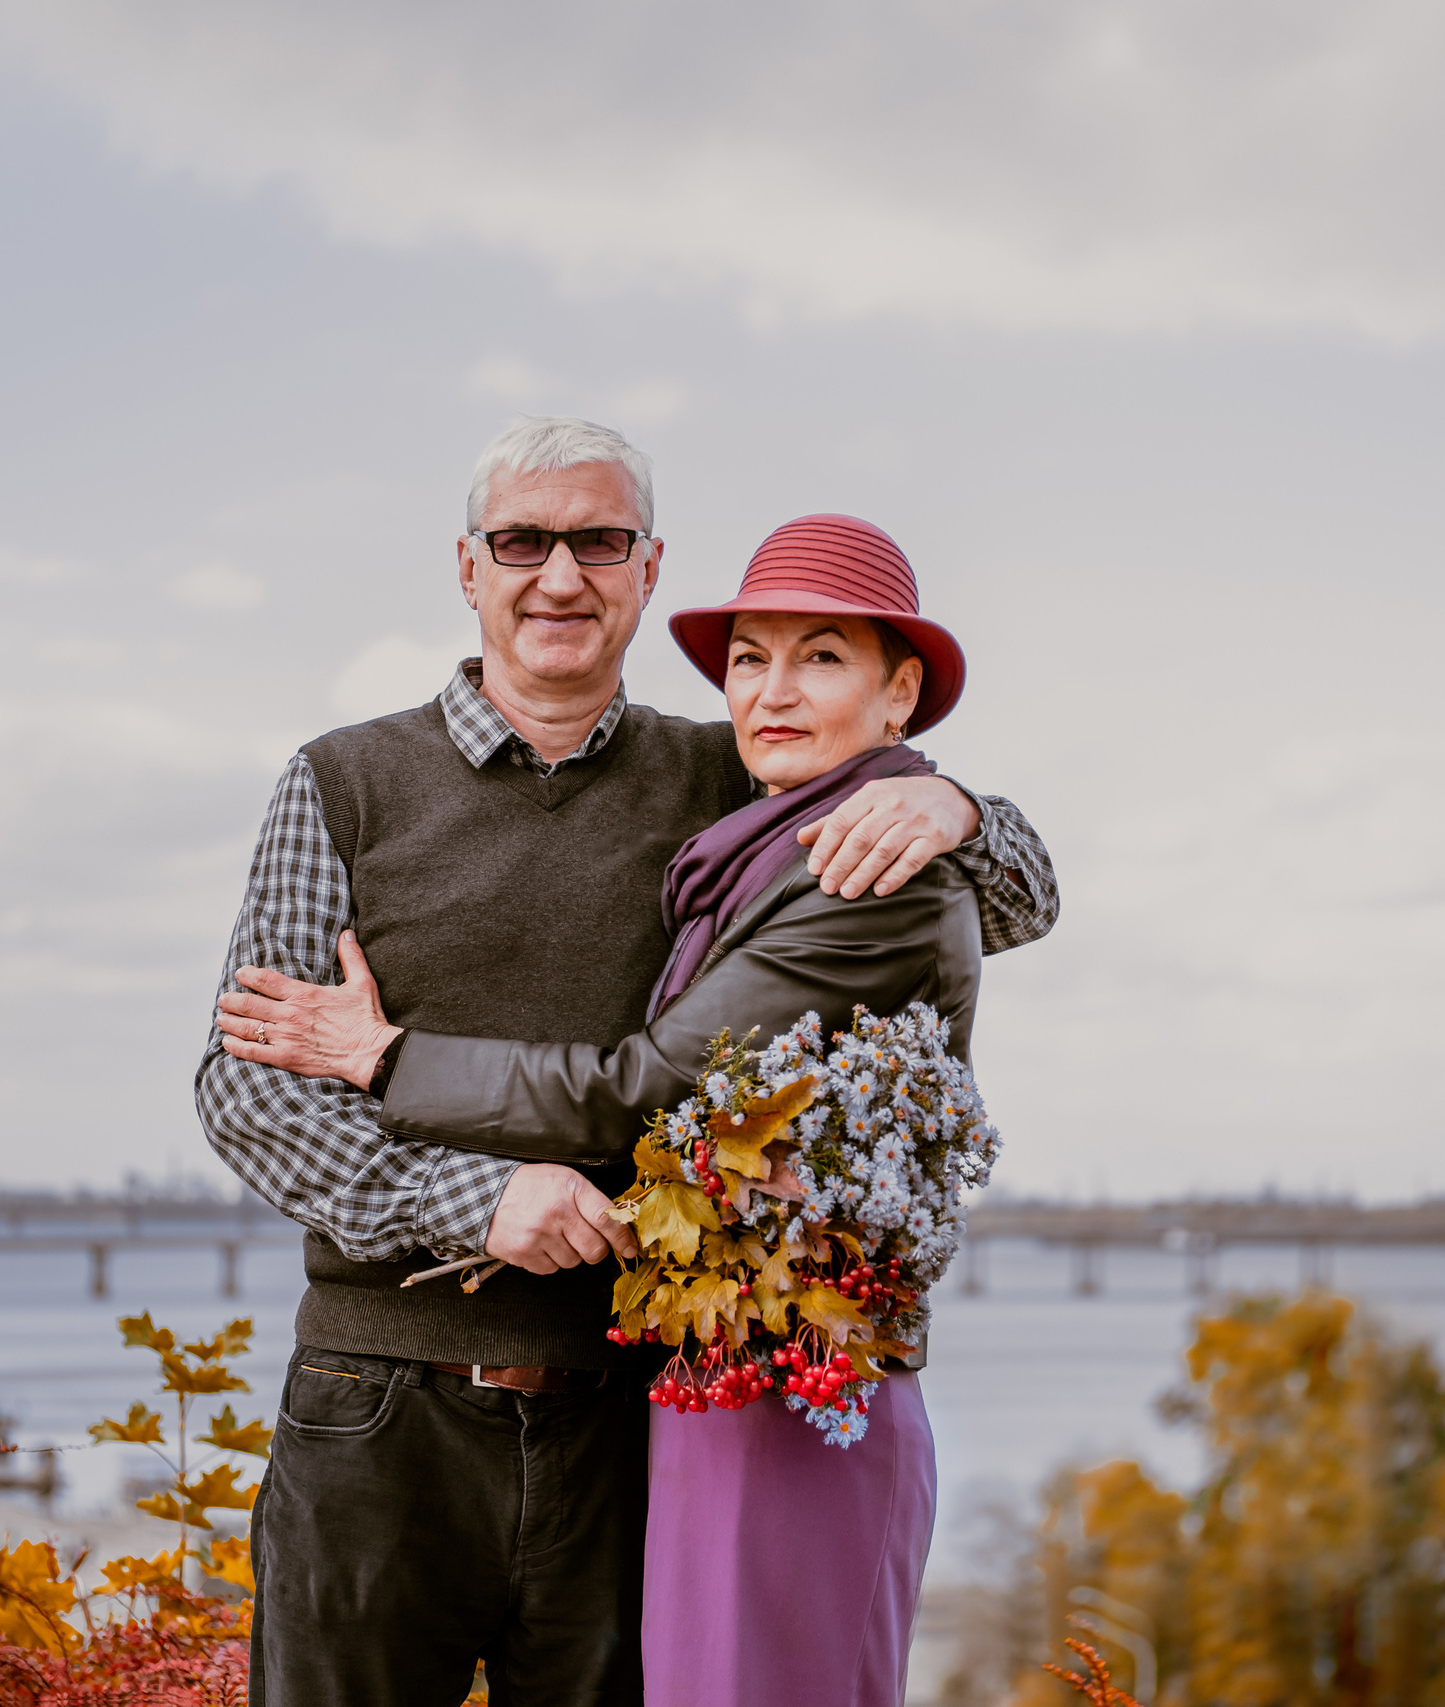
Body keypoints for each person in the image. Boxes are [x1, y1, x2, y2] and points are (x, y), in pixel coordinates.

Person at [195, 422, 1059, 1707]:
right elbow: (251, 1086)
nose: (558, 575)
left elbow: (1005, 897)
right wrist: (471, 1204)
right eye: (521, 542)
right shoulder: (342, 782)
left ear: (647, 569)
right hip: (379, 1407)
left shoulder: (735, 774)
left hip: (631, 1413)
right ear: (468, 566)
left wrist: (964, 812)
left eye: (596, 541)